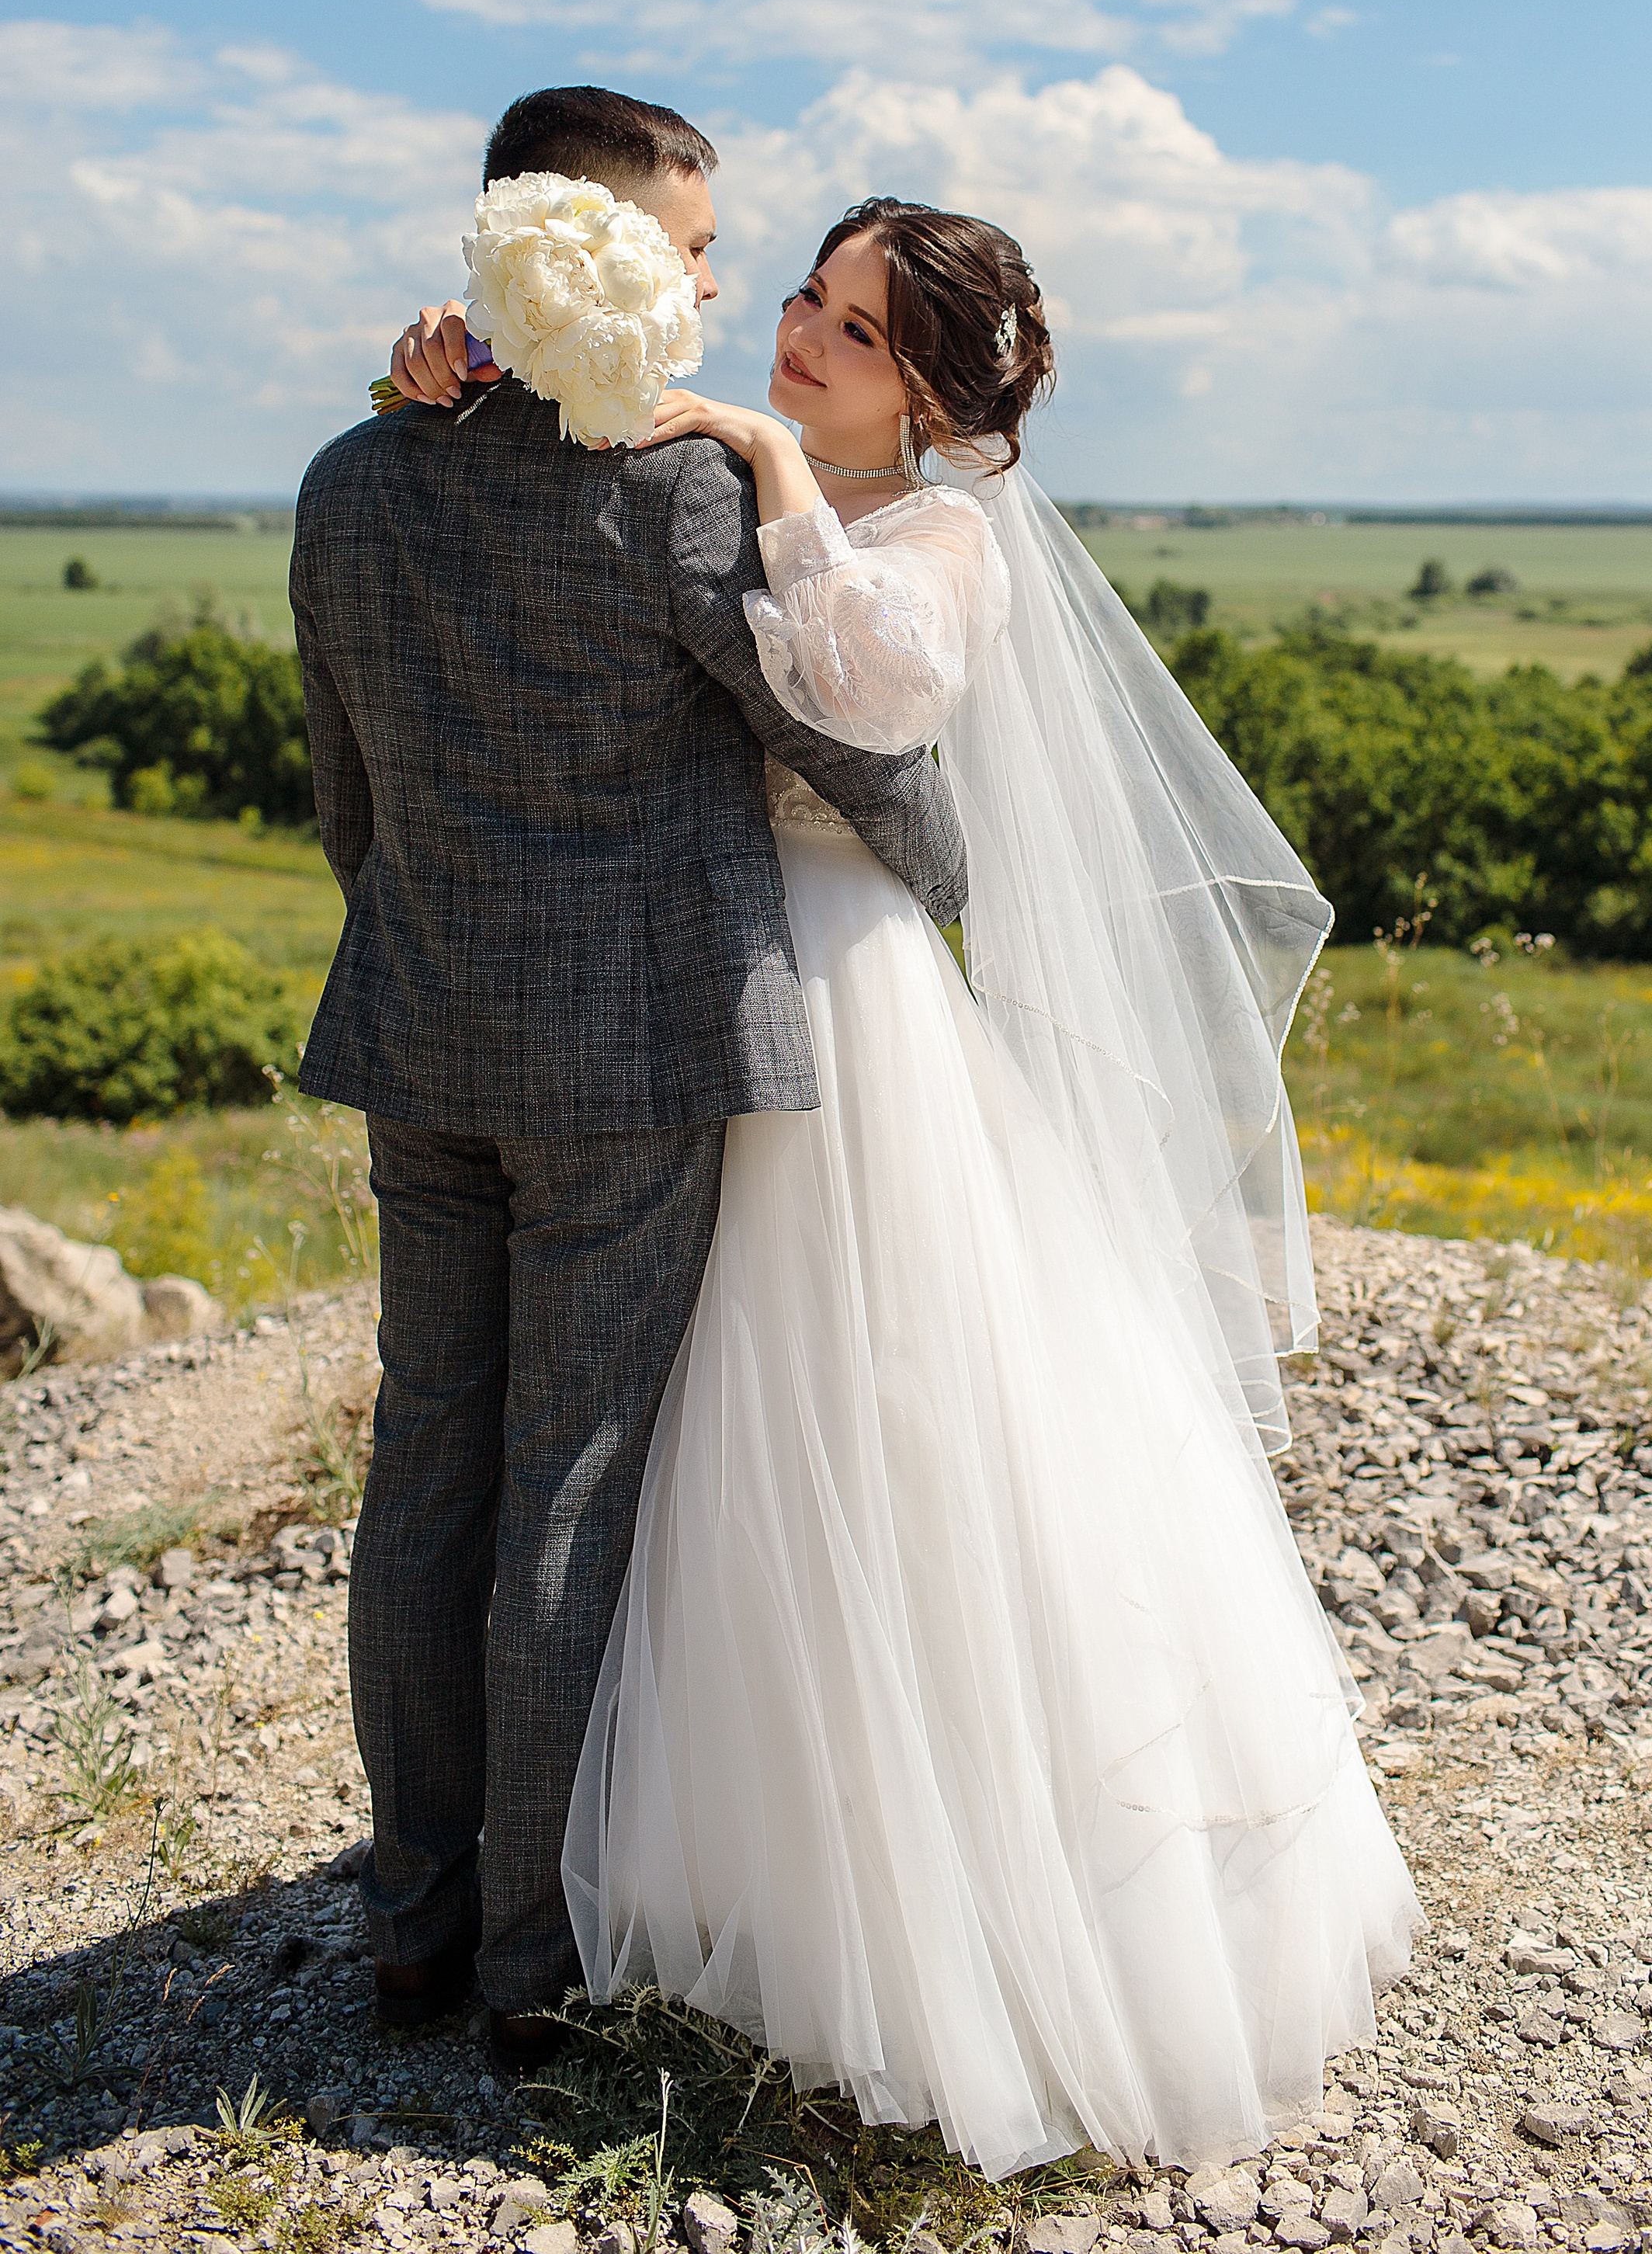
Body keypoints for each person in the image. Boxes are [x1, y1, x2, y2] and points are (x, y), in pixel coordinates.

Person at [385, 190, 1421, 2170]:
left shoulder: (940, 534)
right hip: (662, 983)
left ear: (932, 395)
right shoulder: (683, 427)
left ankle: (918, 1922)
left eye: (851, 335)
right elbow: (552, 451)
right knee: (678, 1437)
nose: (796, 342)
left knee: (871, 1426)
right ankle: (683, 1863)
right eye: (799, 301)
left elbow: (868, 699)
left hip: (841, 1000)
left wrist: (776, 466)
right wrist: (467, 358)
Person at [293, 88, 968, 2077]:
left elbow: (346, 793)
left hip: (417, 1034)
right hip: (631, 1059)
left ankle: (407, 1927)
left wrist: (436, 941)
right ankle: (526, 1961)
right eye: (686, 248)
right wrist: (972, 906)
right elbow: (847, 754)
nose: (700, 284)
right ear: (579, 243)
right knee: (565, 1481)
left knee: (426, 1463)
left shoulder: (348, 475)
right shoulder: (671, 495)